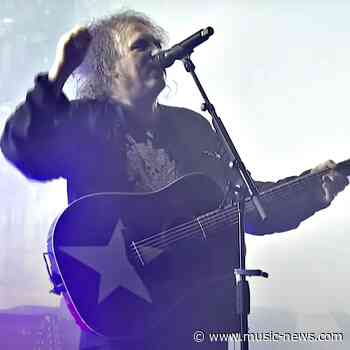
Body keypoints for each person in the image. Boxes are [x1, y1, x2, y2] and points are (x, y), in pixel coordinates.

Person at [0, 10, 348, 350]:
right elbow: (23, 149)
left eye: (156, 43)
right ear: (109, 68)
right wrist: (59, 75)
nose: (155, 52)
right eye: (140, 46)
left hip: (194, 321)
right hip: (121, 322)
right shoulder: (85, 122)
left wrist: (313, 191)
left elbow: (247, 208)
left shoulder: (192, 128)